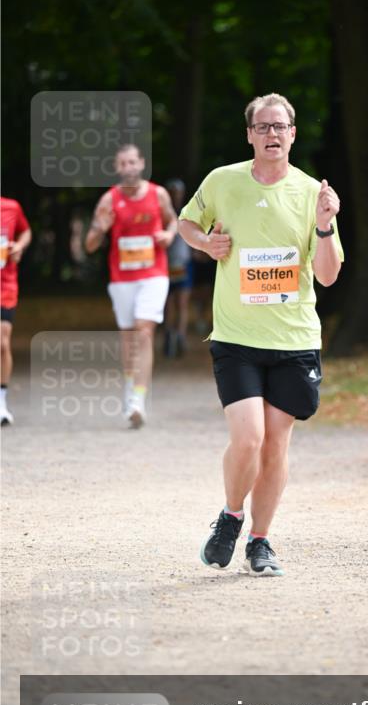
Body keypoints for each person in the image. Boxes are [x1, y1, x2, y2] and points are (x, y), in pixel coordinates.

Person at [179, 92, 343, 576]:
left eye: (281, 127)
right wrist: (206, 242)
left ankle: (260, 541)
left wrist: (326, 226)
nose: (273, 135)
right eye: (263, 127)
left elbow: (329, 276)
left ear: (293, 134)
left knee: (275, 446)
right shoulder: (222, 181)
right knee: (248, 438)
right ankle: (231, 515)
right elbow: (186, 223)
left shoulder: (314, 193)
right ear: (250, 134)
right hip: (236, 336)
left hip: (293, 341)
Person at [85, 144, 177, 428]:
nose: (128, 168)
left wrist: (168, 235)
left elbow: (172, 220)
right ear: (117, 168)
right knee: (128, 338)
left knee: (144, 330)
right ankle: (129, 388)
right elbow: (89, 246)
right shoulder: (108, 200)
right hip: (122, 278)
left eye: (132, 162)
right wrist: (101, 228)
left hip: (154, 274)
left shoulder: (158, 194)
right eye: (122, 163)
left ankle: (138, 399)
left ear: (141, 164)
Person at [0, 196, 32, 425]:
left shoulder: (11, 207)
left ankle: (1, 402)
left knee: (2, 342)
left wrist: (18, 246)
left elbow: (26, 231)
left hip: (5, 285)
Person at [163, 178, 193, 358]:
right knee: (168, 303)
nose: (176, 196)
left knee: (182, 302)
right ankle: (168, 334)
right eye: (173, 192)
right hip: (165, 263)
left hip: (184, 264)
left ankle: (180, 336)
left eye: (178, 193)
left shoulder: (188, 212)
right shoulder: (162, 213)